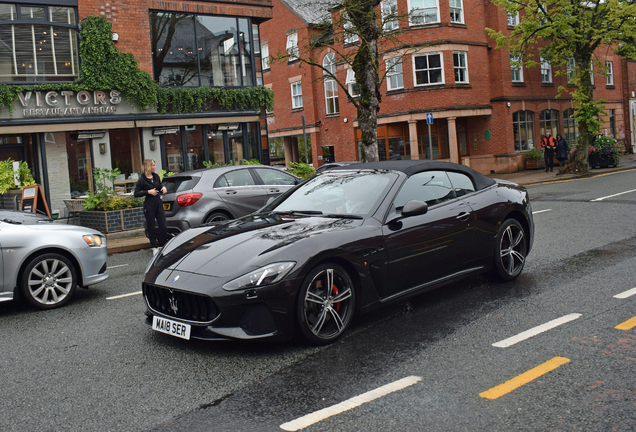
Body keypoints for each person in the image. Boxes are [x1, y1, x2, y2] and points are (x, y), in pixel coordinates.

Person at [134, 159, 167, 253]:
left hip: (158, 203)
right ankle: (154, 246)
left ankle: (162, 244)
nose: (155, 167)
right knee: (151, 226)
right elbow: (136, 193)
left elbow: (160, 186)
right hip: (149, 205)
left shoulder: (156, 176)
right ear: (148, 167)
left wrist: (163, 188)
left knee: (163, 225)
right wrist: (148, 192)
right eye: (153, 165)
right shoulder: (142, 180)